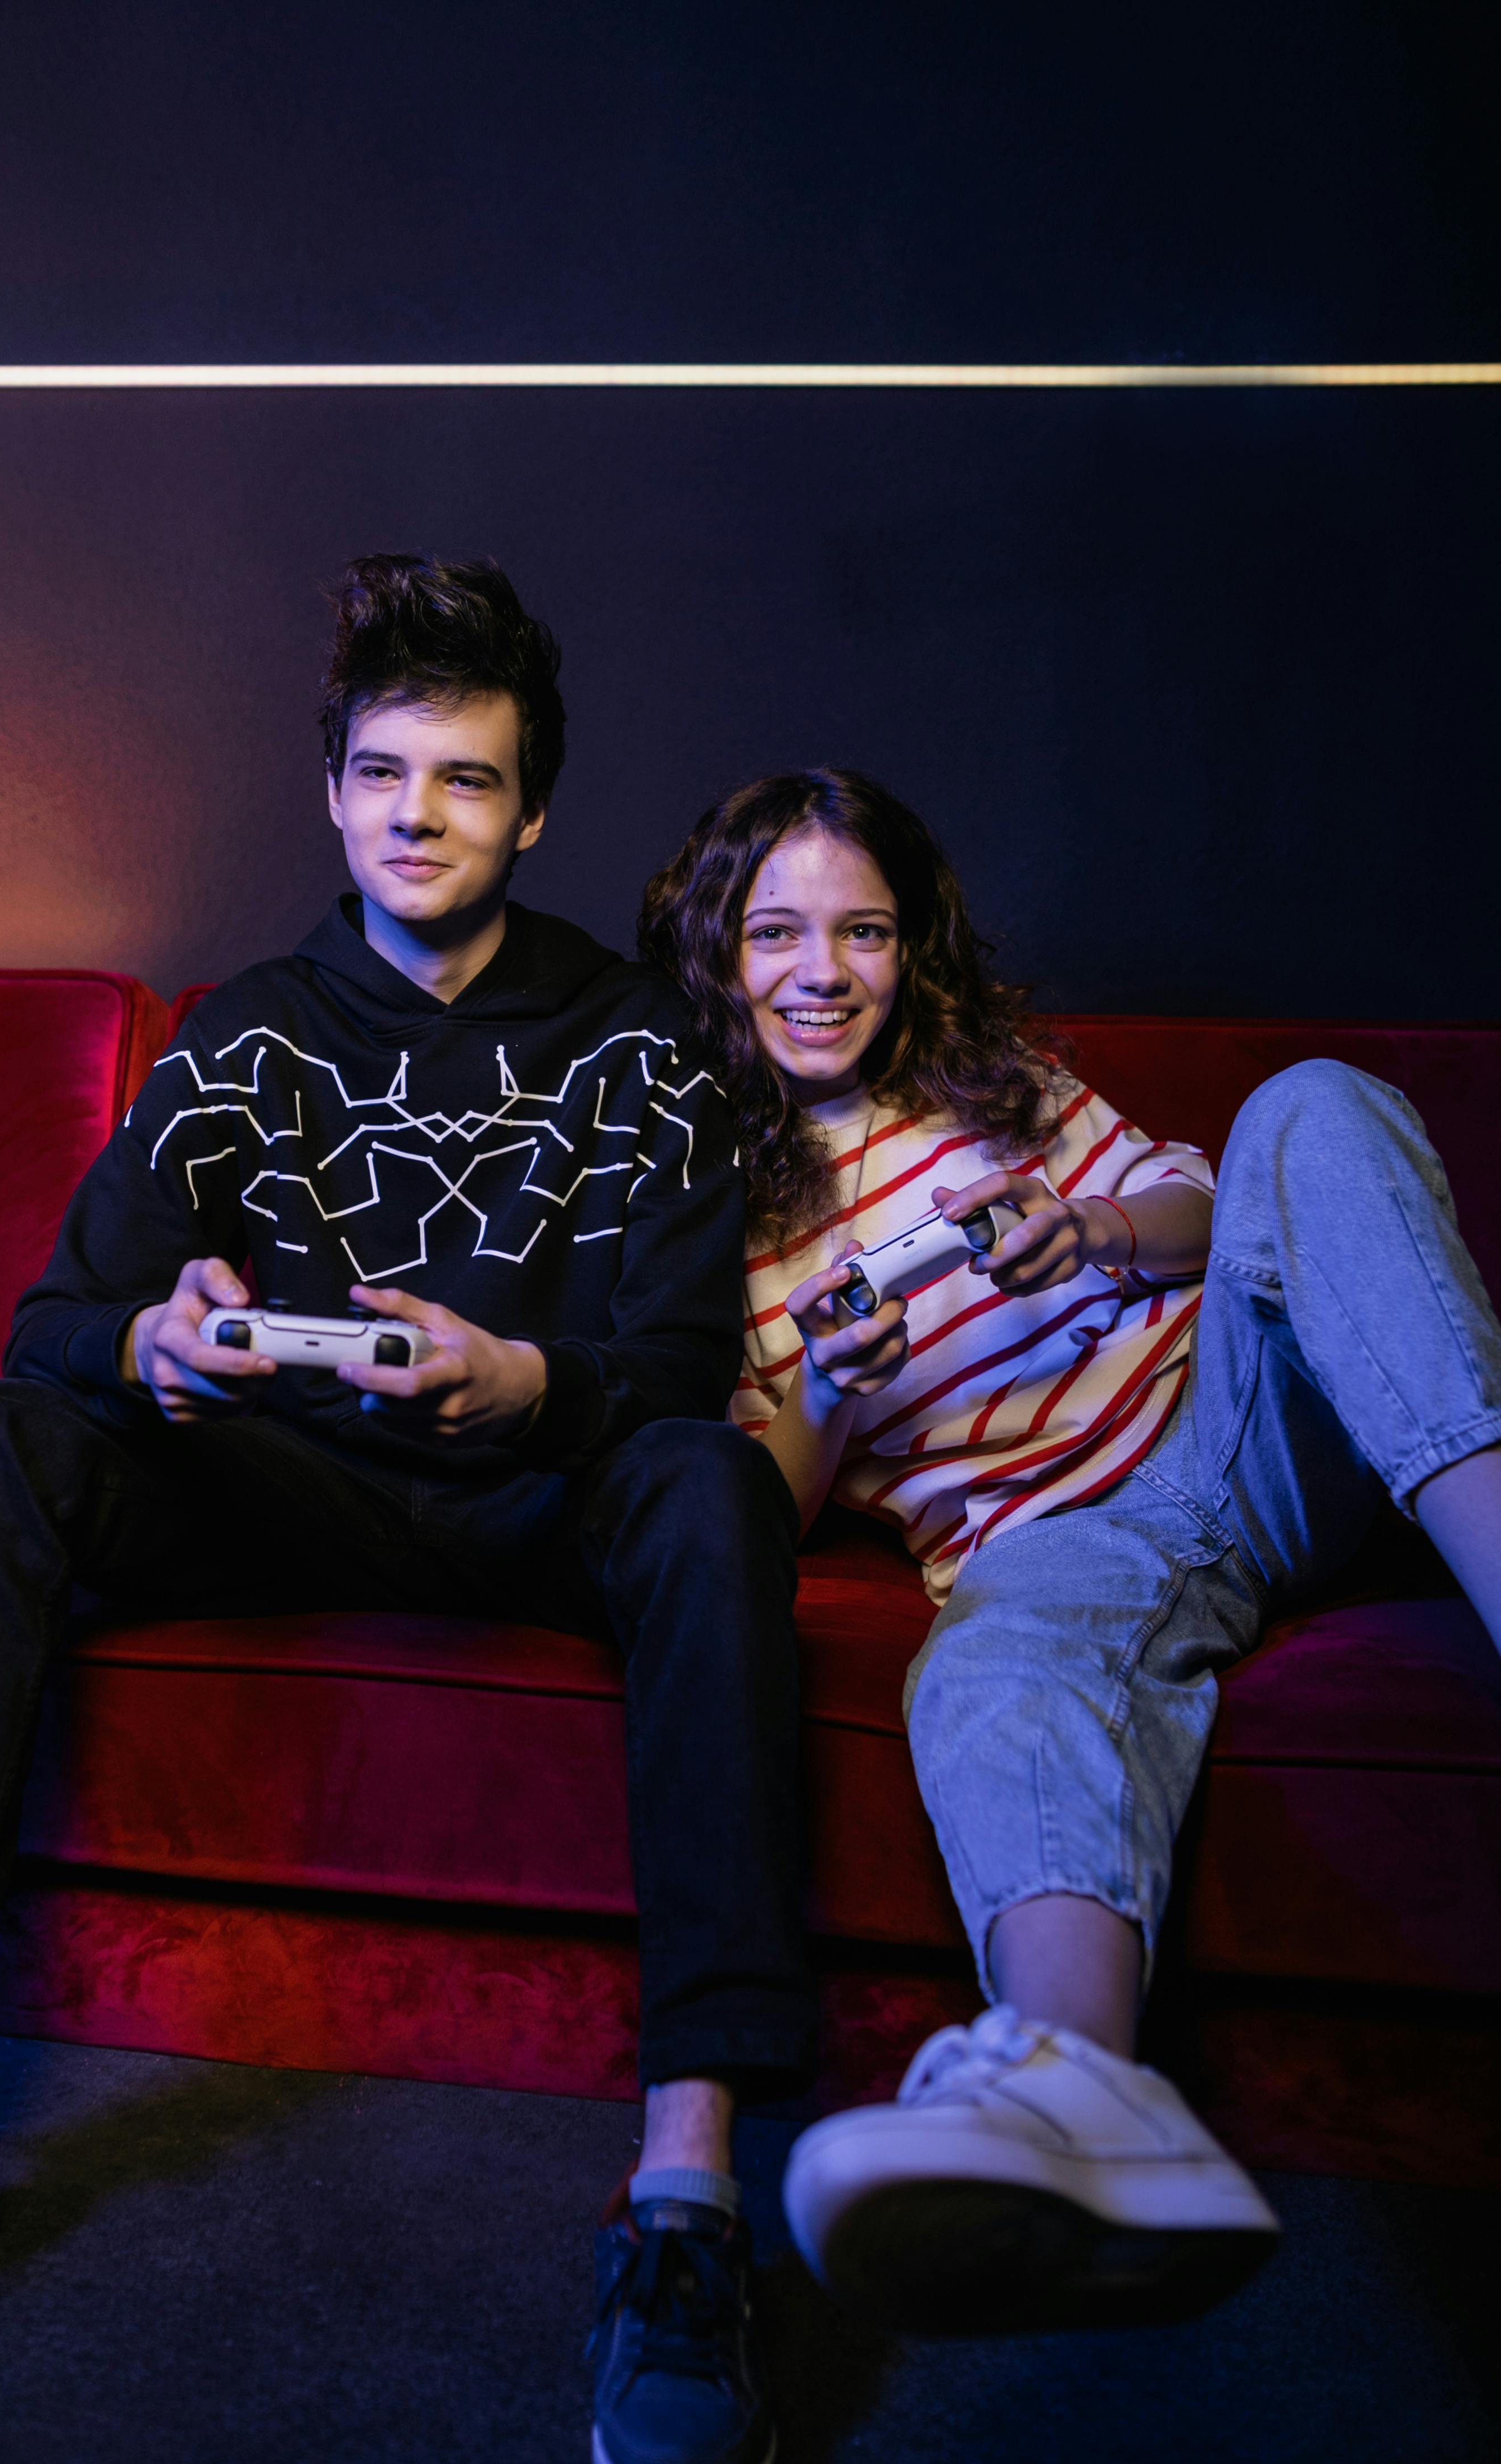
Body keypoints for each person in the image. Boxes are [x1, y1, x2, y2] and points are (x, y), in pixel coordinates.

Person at [0, 557, 806, 2464]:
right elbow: (52, 1333)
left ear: (532, 811)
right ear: (331, 794)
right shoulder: (239, 1040)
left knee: (707, 1474)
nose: (417, 815)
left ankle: (690, 2197)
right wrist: (159, 1342)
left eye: (465, 783)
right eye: (385, 774)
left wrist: (525, 1387)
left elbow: (680, 1361)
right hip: (281, 1480)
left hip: (539, 1491)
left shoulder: (646, 1048)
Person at [640, 767, 1501, 2330]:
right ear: (717, 954)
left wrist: (1087, 1229)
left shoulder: (997, 1091)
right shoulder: (708, 1218)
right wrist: (833, 1384)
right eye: (775, 933)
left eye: (863, 932)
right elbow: (752, 1503)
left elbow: (1207, 1201)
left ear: (913, 952)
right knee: (983, 1667)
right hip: (1051, 1551)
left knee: (1306, 1104)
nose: (819, 973)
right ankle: (1078, 2101)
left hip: (1253, 1430)